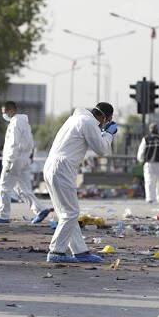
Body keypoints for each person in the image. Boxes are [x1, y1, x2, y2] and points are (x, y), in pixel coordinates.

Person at [43, 102, 117, 263]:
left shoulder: (76, 119)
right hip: (62, 168)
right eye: (107, 120)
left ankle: (80, 251)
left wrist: (103, 132)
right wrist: (109, 134)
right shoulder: (88, 122)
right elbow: (101, 149)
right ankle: (56, 251)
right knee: (70, 213)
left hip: (52, 166)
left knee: (67, 213)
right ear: (105, 117)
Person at [0, 101, 52, 224]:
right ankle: (40, 209)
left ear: (10, 110)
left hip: (15, 160)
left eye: (4, 112)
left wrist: (9, 161)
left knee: (4, 187)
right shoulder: (24, 123)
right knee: (22, 189)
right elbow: (30, 143)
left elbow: (13, 143)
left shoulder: (15, 122)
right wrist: (29, 156)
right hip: (24, 159)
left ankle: (3, 215)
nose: (4, 115)